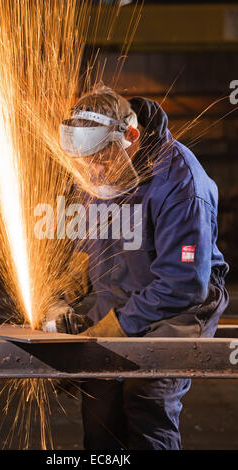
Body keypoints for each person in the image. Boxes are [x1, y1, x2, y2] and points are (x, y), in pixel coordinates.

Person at [44, 85, 229, 450]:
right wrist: (59, 298)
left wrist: (115, 327)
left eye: (101, 157)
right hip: (120, 296)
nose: (93, 170)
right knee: (100, 410)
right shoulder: (95, 173)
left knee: (145, 400)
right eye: (85, 161)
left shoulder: (181, 183)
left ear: (131, 136)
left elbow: (184, 282)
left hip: (177, 310)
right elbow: (84, 251)